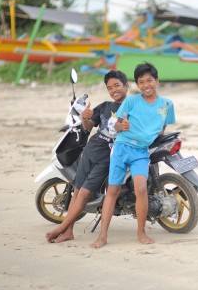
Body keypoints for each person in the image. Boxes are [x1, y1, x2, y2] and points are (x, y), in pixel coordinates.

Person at [90, 61, 175, 248]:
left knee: (141, 189)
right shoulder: (130, 101)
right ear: (137, 84)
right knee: (112, 191)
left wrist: (149, 134)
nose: (146, 85)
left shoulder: (167, 104)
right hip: (121, 148)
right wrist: (123, 126)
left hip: (140, 152)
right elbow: (116, 125)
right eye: (141, 82)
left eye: (149, 80)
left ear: (157, 81)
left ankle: (141, 232)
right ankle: (102, 236)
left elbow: (162, 128)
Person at [46, 70, 129, 243]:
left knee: (84, 194)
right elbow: (87, 127)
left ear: (126, 86)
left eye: (117, 85)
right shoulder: (105, 106)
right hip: (90, 152)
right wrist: (85, 117)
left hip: (107, 159)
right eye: (109, 87)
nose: (114, 90)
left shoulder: (131, 106)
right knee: (76, 192)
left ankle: (61, 228)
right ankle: (68, 231)